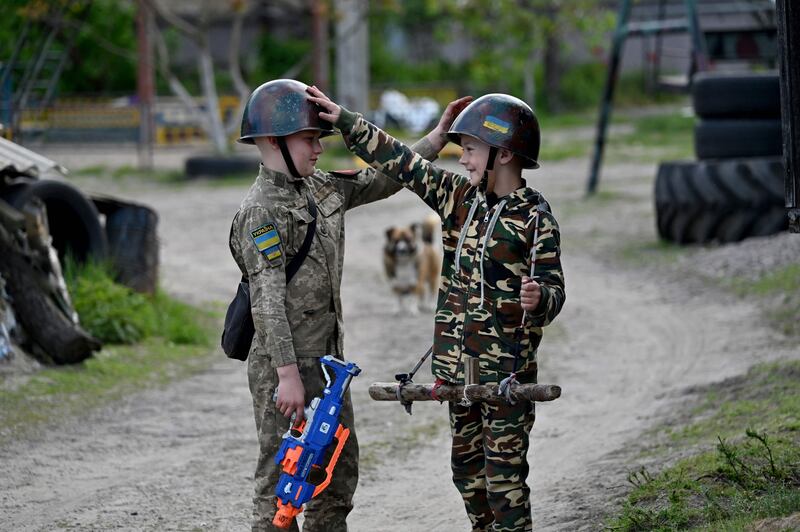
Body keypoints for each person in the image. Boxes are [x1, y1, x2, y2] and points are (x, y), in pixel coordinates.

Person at [308, 86, 566, 532]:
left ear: (502, 154)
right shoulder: (457, 198)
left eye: (469, 150)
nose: (462, 159)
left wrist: (540, 298)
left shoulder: (536, 218)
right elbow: (401, 163)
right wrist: (346, 121)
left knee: (504, 483)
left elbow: (554, 288)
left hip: (507, 376)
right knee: (467, 477)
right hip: (456, 373)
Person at [229, 78, 472, 532]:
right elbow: (266, 301)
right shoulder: (261, 211)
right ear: (272, 141)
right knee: (282, 475)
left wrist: (437, 139)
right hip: (286, 368)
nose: (318, 149)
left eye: (319, 140)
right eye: (308, 140)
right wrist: (286, 377)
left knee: (336, 474)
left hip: (328, 365)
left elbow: (380, 178)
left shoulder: (321, 189)